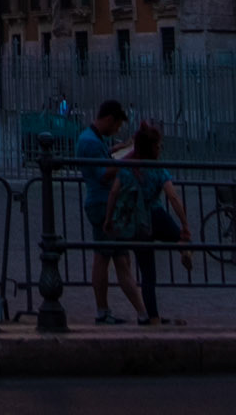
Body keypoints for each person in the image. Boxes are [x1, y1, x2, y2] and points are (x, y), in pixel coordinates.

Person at [106, 121, 192, 324]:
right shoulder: (157, 170)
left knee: (147, 274)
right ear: (152, 148)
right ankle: (184, 249)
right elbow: (173, 197)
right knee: (180, 237)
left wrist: (109, 220)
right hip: (157, 215)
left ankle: (153, 318)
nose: (160, 149)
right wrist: (185, 224)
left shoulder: (127, 169)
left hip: (137, 224)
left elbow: (113, 193)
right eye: (158, 145)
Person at [76, 99, 145, 323]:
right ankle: (136, 312)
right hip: (104, 204)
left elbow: (104, 158)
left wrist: (122, 148)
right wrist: (130, 157)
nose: (116, 130)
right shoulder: (92, 142)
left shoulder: (91, 139)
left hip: (101, 203)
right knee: (112, 259)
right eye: (116, 126)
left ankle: (130, 312)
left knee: (112, 259)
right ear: (108, 119)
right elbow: (104, 173)